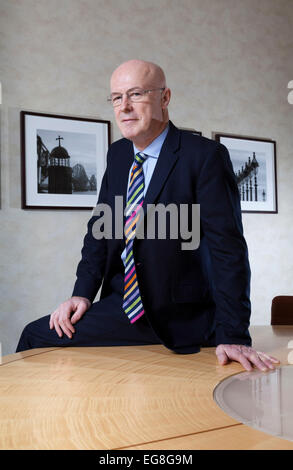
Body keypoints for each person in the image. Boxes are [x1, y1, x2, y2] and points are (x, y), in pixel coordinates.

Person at [16, 59, 279, 372]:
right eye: (116, 97)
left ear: (165, 98)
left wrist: (234, 334)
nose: (124, 106)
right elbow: (100, 233)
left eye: (136, 94)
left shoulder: (204, 157)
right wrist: (82, 294)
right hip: (124, 308)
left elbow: (228, 251)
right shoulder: (118, 155)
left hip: (184, 316)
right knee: (36, 335)